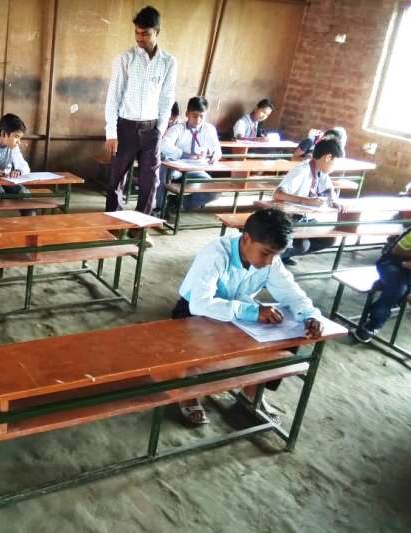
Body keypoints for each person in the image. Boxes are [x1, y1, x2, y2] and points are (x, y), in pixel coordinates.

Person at [172, 208, 323, 424]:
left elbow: (291, 293)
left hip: (239, 313)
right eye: (265, 253)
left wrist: (310, 315)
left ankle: (251, 393)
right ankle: (187, 393)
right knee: (194, 345)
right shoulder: (216, 254)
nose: (270, 261)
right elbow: (200, 303)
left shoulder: (270, 260)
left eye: (276, 255)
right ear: (246, 239)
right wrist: (252, 312)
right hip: (194, 311)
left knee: (288, 333)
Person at [104, 5, 177, 225]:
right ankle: (113, 223)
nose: (139, 38)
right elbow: (113, 97)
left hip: (151, 129)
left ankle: (140, 225)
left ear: (157, 32)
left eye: (145, 33)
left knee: (150, 181)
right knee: (116, 179)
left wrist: (160, 130)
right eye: (137, 32)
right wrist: (111, 133)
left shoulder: (168, 62)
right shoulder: (125, 59)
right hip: (125, 128)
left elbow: (166, 99)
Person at [273, 139, 344, 264]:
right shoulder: (302, 170)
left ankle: (283, 255)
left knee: (329, 238)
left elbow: (329, 189)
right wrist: (305, 201)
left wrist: (333, 199)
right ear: (328, 158)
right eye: (335, 163)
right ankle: (273, 256)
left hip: (304, 217)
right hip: (288, 218)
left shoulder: (320, 171)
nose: (335, 167)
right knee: (302, 245)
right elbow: (278, 194)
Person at [159, 96, 222, 216]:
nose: (198, 120)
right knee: (162, 172)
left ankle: (177, 202)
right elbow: (163, 145)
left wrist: (215, 155)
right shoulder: (178, 129)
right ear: (187, 114)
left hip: (195, 170)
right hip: (175, 170)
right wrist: (185, 155)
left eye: (202, 116)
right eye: (194, 116)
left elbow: (217, 150)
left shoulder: (209, 129)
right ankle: (159, 208)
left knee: (215, 191)